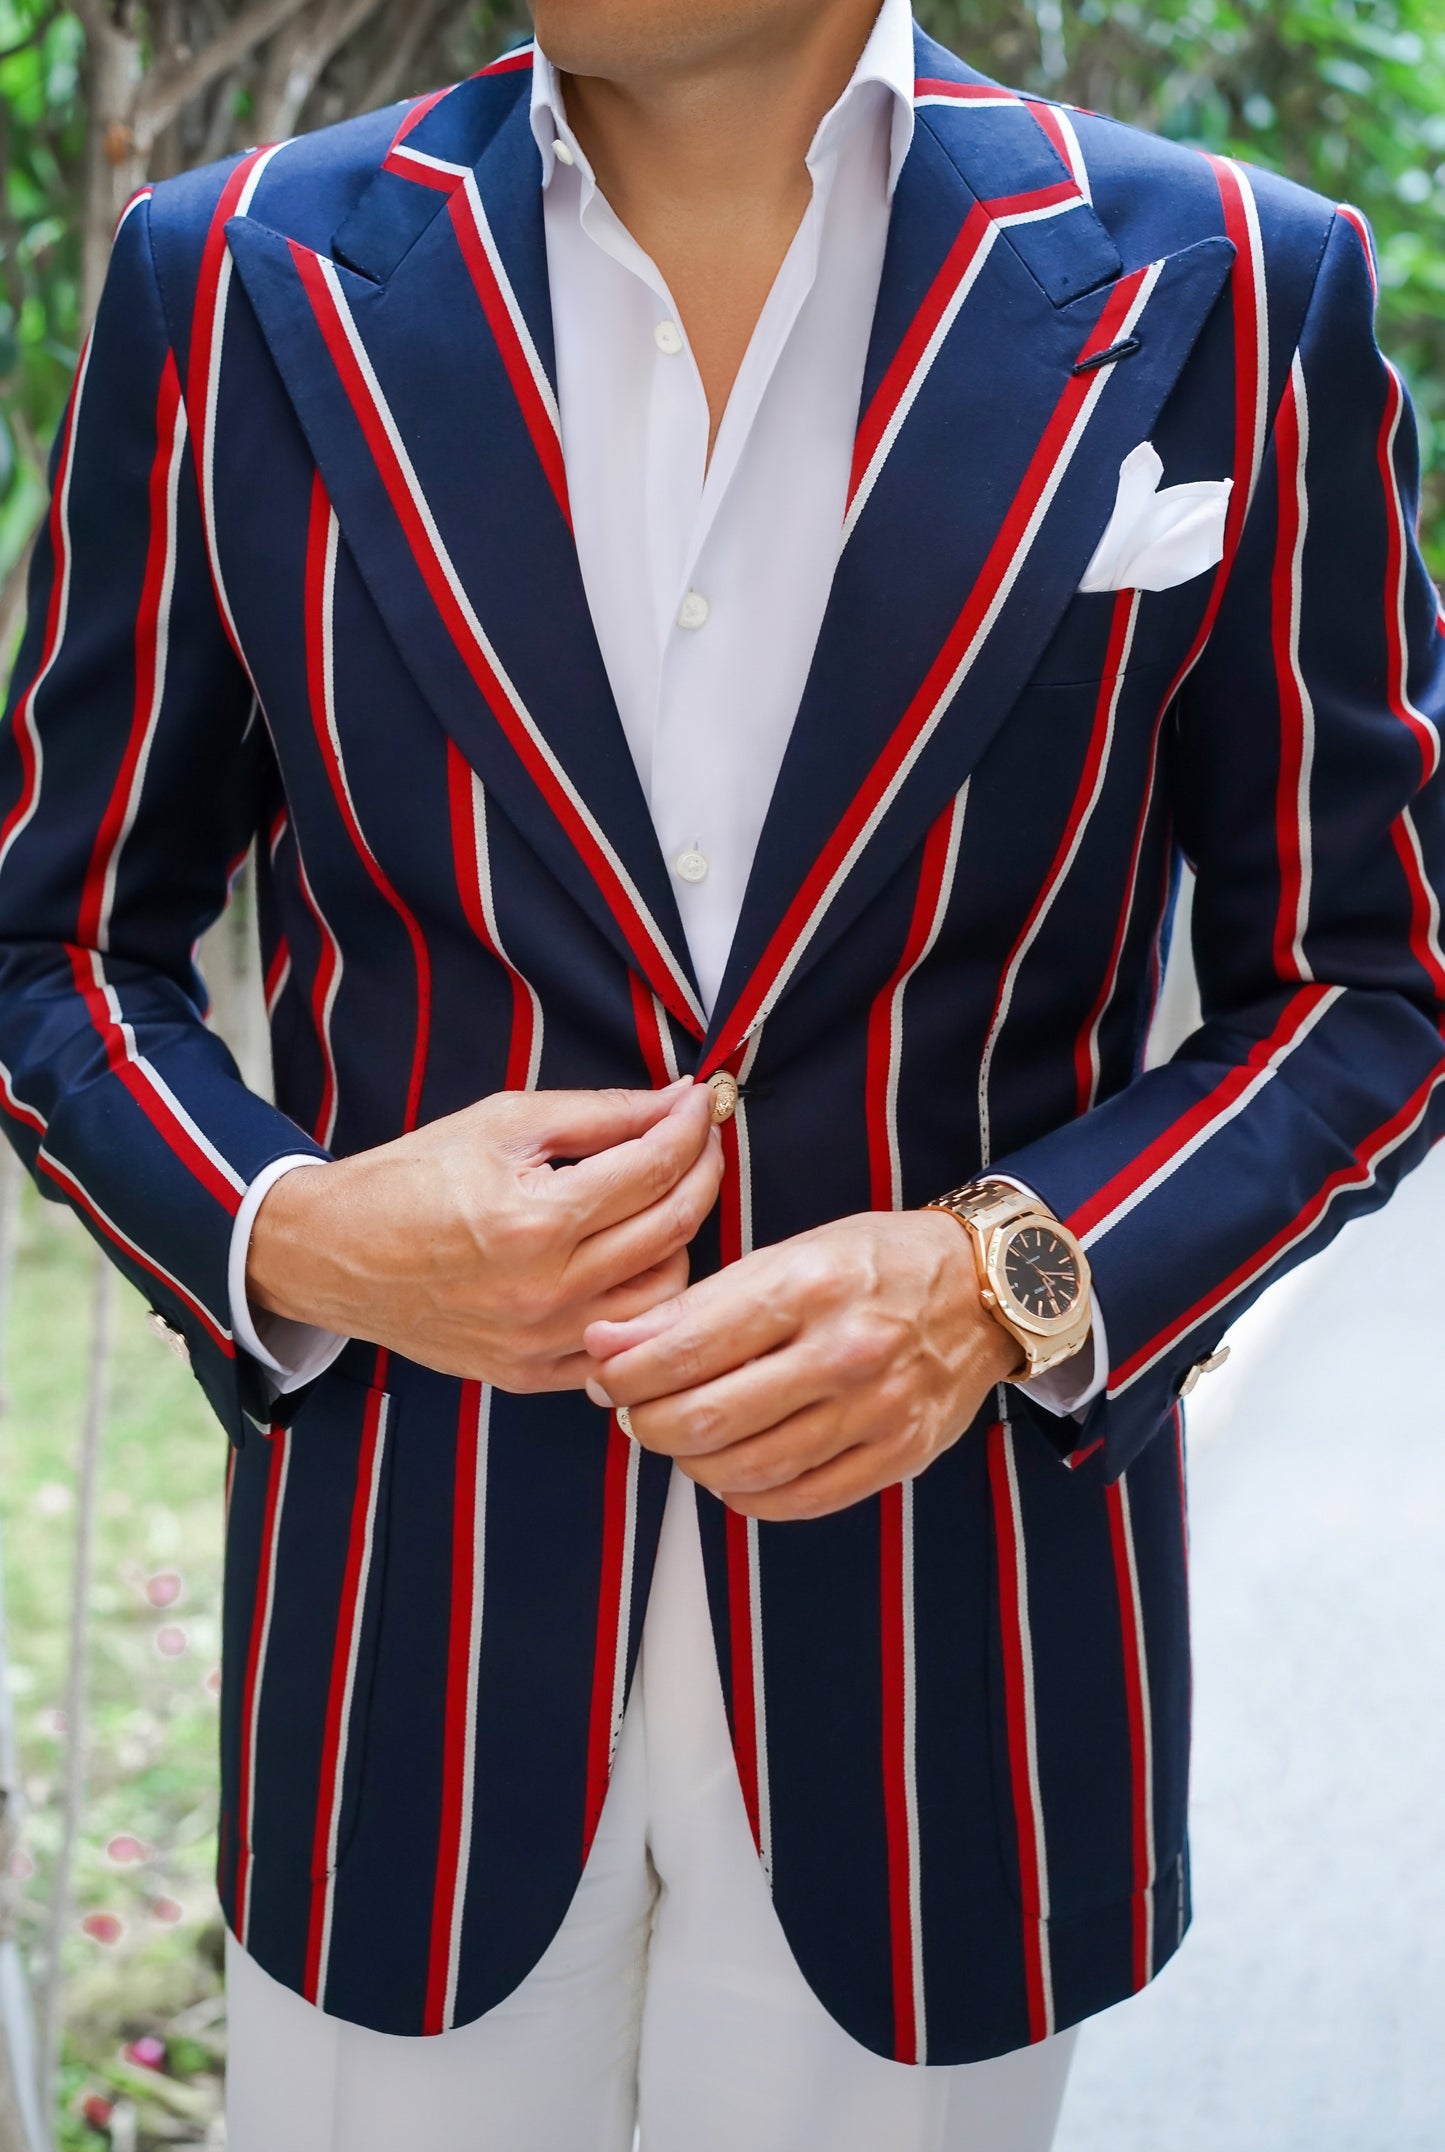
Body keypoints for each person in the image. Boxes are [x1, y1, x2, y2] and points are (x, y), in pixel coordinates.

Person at [2, 0, 1442, 2144]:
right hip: (411, 1647)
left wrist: (1002, 1280)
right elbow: (51, 937)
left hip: (949, 1667)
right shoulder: (241, 275)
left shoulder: (1229, 280)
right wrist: (293, 1230)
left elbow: (1366, 982)